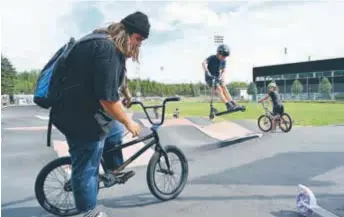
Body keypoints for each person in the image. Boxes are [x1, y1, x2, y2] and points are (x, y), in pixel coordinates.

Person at [51, 11, 151, 217]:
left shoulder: (105, 42)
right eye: (138, 39)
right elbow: (107, 99)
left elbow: (115, 77)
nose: (139, 45)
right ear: (127, 32)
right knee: (88, 166)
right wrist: (128, 121)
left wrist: (126, 93)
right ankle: (88, 212)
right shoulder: (107, 49)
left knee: (114, 132)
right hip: (79, 117)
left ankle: (113, 170)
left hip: (86, 110)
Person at [202, 44, 244, 111]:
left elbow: (224, 70)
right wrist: (207, 72)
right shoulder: (212, 57)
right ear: (218, 53)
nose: (224, 58)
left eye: (225, 57)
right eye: (223, 56)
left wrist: (222, 77)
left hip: (217, 78)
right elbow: (203, 63)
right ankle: (228, 105)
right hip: (210, 78)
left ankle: (233, 104)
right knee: (219, 89)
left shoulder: (223, 61)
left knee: (224, 88)